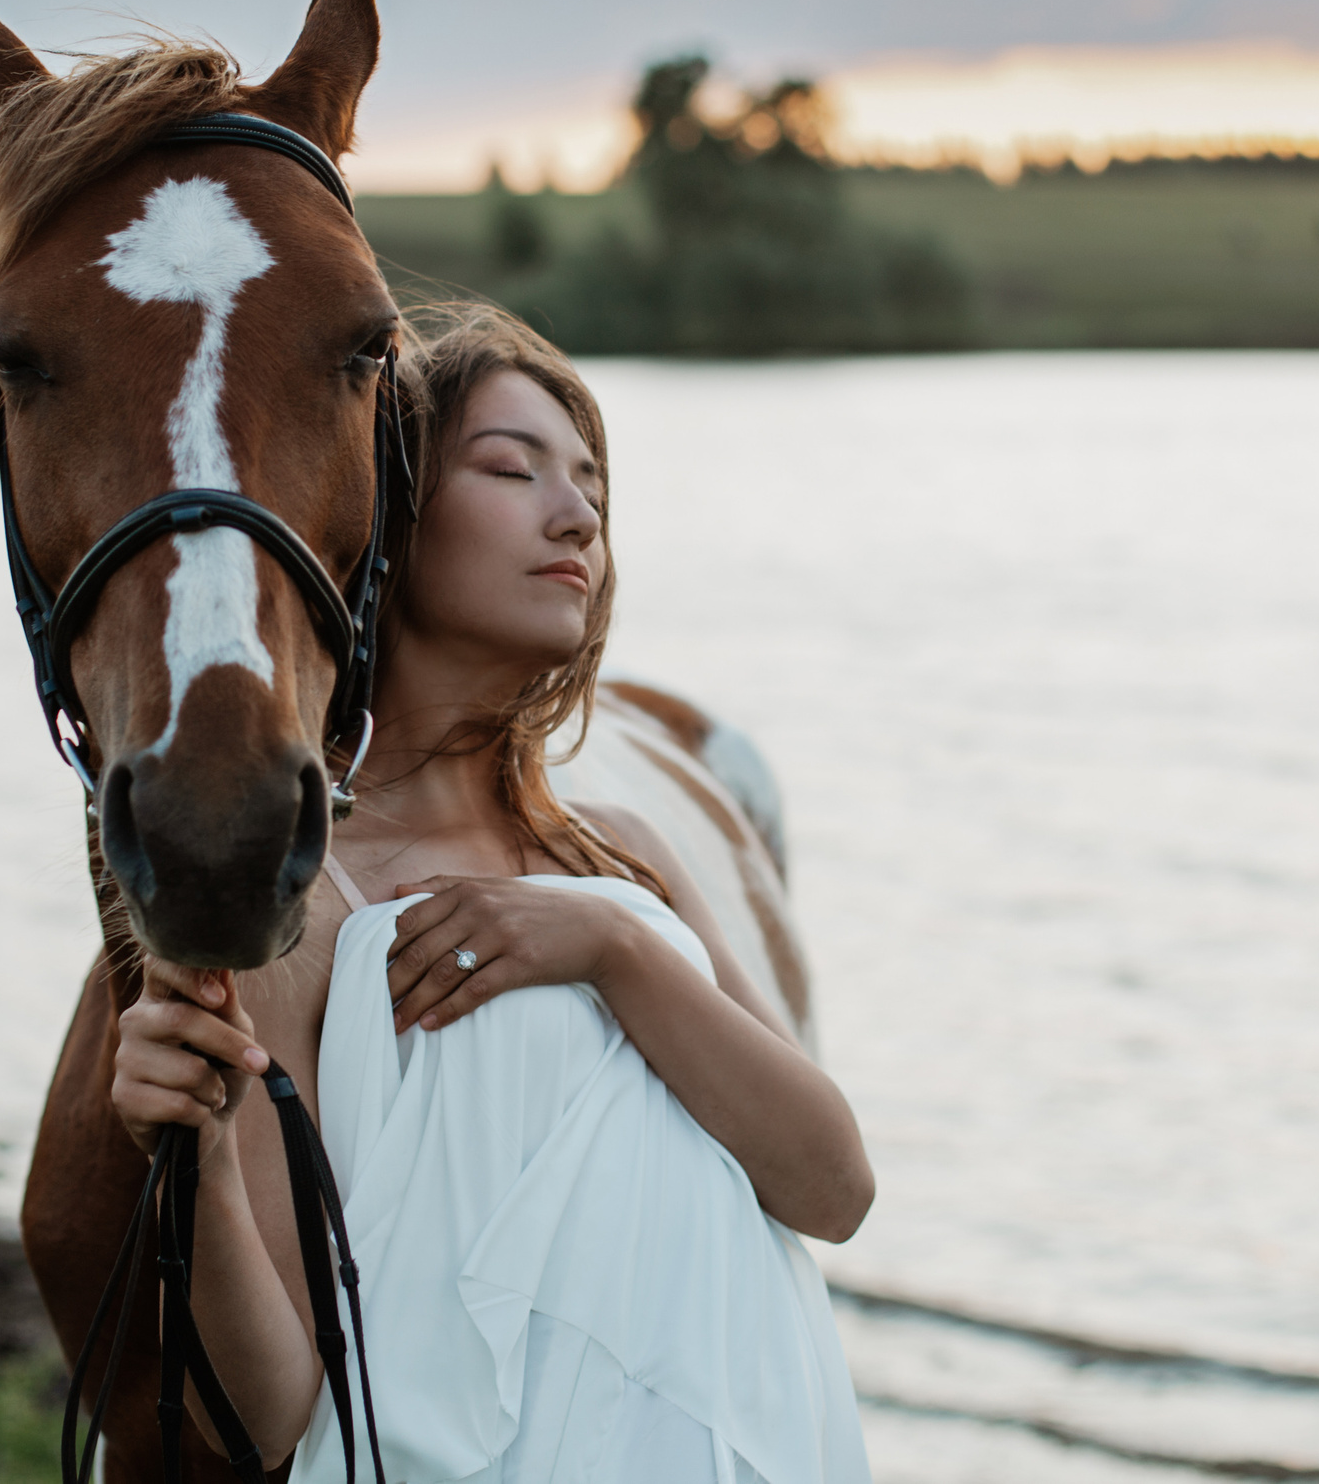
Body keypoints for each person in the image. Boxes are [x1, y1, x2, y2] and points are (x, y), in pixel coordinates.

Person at [110, 304, 875, 1482]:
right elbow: (266, 1416)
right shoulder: (304, 909)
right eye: (512, 469)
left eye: (594, 494)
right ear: (387, 512)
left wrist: (610, 950)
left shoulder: (618, 859)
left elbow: (830, 1186)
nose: (574, 515)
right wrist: (199, 1165)